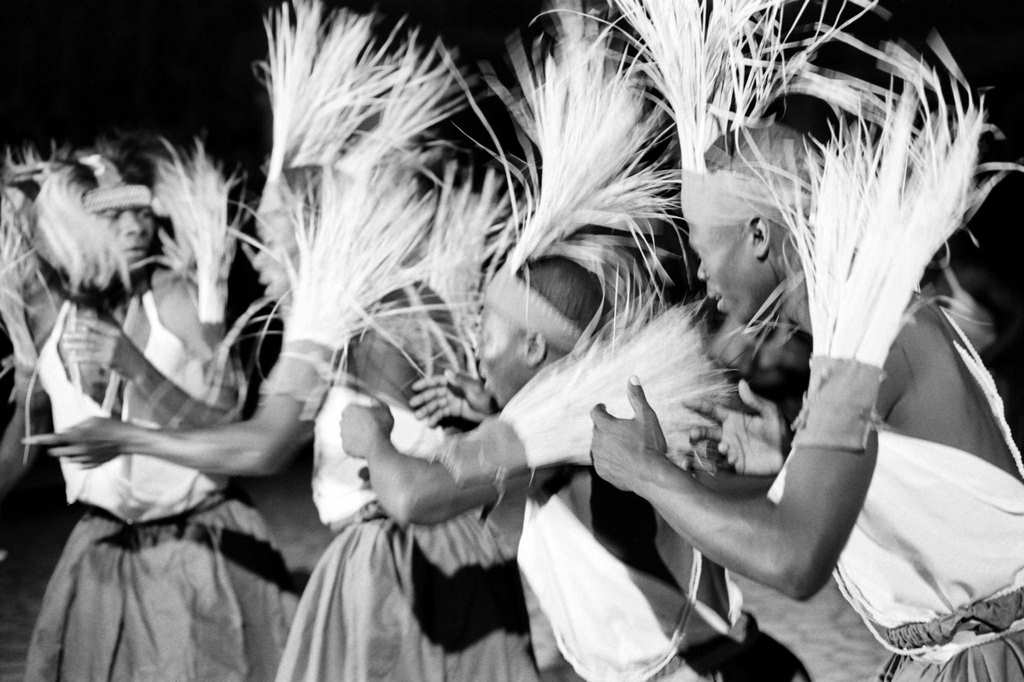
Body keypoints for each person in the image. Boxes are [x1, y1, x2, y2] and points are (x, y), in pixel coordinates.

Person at [589, 123, 1024, 680]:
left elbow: (794, 562)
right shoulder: (866, 324)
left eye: (700, 248)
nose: (697, 274)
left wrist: (645, 472)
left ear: (758, 236)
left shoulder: (868, 340)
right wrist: (789, 462)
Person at [347, 256, 810, 681]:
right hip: (742, 659)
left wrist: (373, 440)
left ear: (532, 346)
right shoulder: (598, 408)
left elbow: (413, 498)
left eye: (486, 339)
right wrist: (490, 408)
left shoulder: (542, 431)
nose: (479, 357)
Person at [4, 137, 297, 681]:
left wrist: (136, 367)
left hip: (200, 548)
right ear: (76, 232)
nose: (136, 228)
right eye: (114, 217)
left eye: (141, 212)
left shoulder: (175, 299)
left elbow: (232, 429)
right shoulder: (49, 320)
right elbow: (24, 437)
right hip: (101, 549)